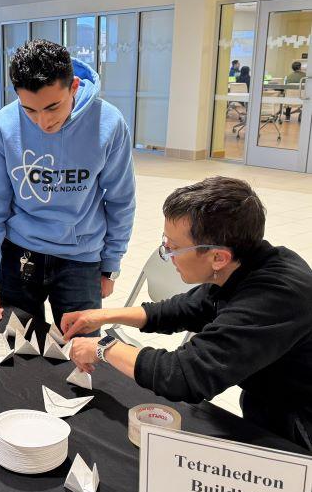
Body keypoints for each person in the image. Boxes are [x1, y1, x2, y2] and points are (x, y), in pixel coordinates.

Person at [63, 176, 312, 451]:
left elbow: (185, 375)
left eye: (173, 248)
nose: (166, 255)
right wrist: (102, 316)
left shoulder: (275, 296)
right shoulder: (243, 264)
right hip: (267, 398)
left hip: (300, 422)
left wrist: (103, 347)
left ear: (218, 257)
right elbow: (183, 309)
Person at [0, 39, 135, 329]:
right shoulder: (6, 123)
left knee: (80, 357)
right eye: (30, 111)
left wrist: (110, 266)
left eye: (52, 107)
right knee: (17, 353)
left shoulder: (108, 123)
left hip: (80, 260)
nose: (42, 123)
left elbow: (121, 200)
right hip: (19, 254)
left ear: (73, 87)